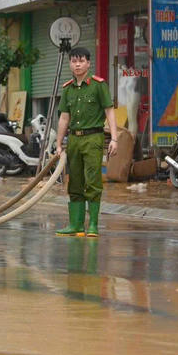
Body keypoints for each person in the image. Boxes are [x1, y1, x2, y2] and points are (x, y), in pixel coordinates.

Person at [53, 47, 119, 237]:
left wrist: (114, 138)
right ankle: (75, 224)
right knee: (74, 181)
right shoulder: (67, 89)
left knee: (92, 181)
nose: (78, 64)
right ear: (70, 64)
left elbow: (109, 111)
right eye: (74, 61)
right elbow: (64, 118)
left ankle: (93, 226)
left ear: (89, 63)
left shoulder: (99, 85)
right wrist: (58, 144)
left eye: (81, 61)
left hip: (93, 138)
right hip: (74, 139)